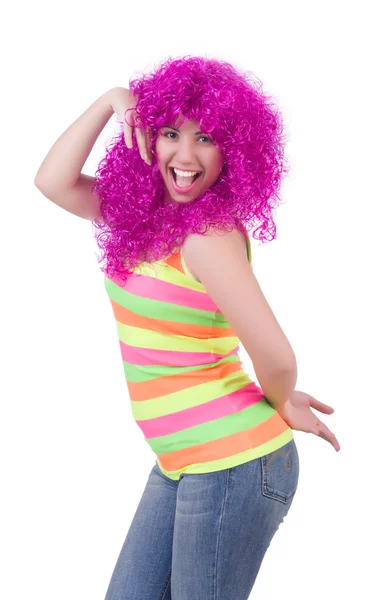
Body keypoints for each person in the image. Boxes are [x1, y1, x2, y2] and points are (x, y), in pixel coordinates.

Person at [34, 55, 340, 600]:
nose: (185, 155)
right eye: (171, 133)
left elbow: (278, 356)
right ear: (148, 138)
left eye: (207, 139)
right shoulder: (142, 220)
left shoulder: (208, 235)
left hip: (235, 464)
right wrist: (112, 99)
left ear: (235, 151)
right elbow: (52, 181)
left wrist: (282, 399)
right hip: (181, 460)